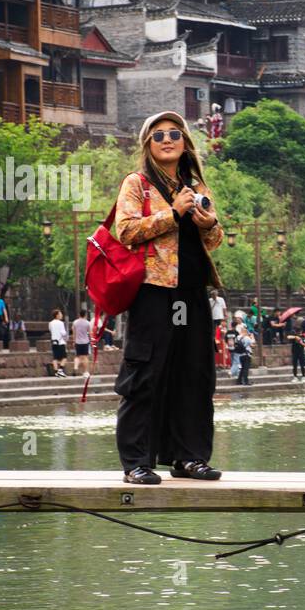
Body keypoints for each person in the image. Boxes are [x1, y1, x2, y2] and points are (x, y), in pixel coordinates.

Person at [111, 110, 226, 485]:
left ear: (185, 143)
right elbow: (125, 231)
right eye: (158, 135)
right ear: (148, 144)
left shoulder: (196, 185)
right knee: (145, 374)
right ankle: (137, 462)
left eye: (174, 133)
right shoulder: (137, 184)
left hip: (191, 294)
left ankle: (189, 458)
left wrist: (208, 224)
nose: (166, 140)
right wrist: (172, 214)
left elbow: (214, 239)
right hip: (153, 293)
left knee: (194, 375)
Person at [48, 308, 69, 377]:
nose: (61, 315)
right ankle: (60, 370)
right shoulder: (61, 323)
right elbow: (63, 333)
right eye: (60, 314)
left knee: (55, 358)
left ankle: (56, 371)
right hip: (60, 342)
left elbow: (51, 331)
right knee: (64, 357)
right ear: (57, 315)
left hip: (54, 342)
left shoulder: (50, 323)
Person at [72, 308, 92, 376]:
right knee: (85, 357)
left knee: (77, 356)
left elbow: (74, 333)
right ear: (85, 315)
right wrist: (91, 341)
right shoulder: (87, 323)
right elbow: (90, 333)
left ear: (79, 314)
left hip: (78, 342)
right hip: (85, 342)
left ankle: (75, 367)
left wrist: (74, 341)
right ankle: (85, 372)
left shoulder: (75, 322)